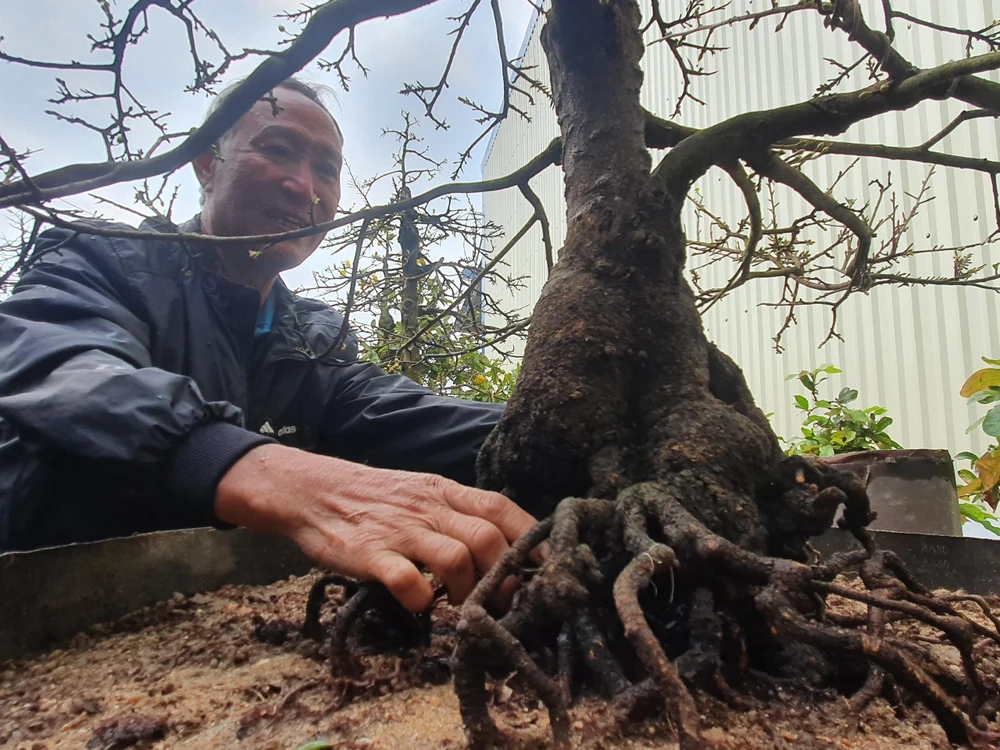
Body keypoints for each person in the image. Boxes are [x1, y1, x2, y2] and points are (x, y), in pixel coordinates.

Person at [0, 77, 535, 612]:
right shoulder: (99, 259)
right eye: (277, 150)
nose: (304, 188)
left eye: (326, 169)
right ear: (206, 163)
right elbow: (65, 376)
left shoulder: (313, 340)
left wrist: (567, 428)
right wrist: (265, 473)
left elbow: (411, 417)